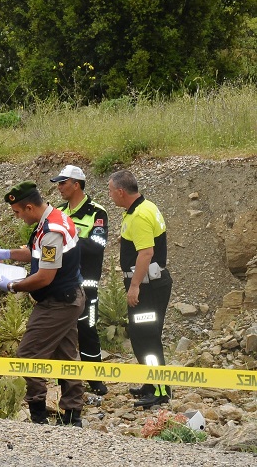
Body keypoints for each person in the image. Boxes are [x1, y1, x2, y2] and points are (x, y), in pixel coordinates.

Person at [0, 181, 85, 426]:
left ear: (30, 207)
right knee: (67, 359)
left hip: (57, 302)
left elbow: (45, 276)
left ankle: (38, 416)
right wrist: (7, 253)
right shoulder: (53, 219)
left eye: (17, 212)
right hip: (67, 298)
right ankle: (72, 416)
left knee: (28, 356)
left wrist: (12, 286)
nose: (17, 217)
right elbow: (35, 252)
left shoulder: (51, 231)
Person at [108, 169, 173, 408]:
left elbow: (146, 253)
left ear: (121, 191)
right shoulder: (142, 208)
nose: (110, 195)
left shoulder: (140, 215)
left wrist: (134, 286)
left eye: (111, 191)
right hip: (148, 284)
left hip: (148, 286)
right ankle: (150, 381)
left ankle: (160, 390)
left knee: (147, 337)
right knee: (140, 335)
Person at [51, 165, 109, 396]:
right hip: (61, 283)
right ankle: (64, 380)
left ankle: (95, 378)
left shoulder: (97, 212)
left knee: (88, 329)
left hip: (87, 285)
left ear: (76, 184)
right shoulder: (58, 211)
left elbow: (97, 246)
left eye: (63, 182)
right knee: (61, 332)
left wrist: (67, 242)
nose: (59, 187)